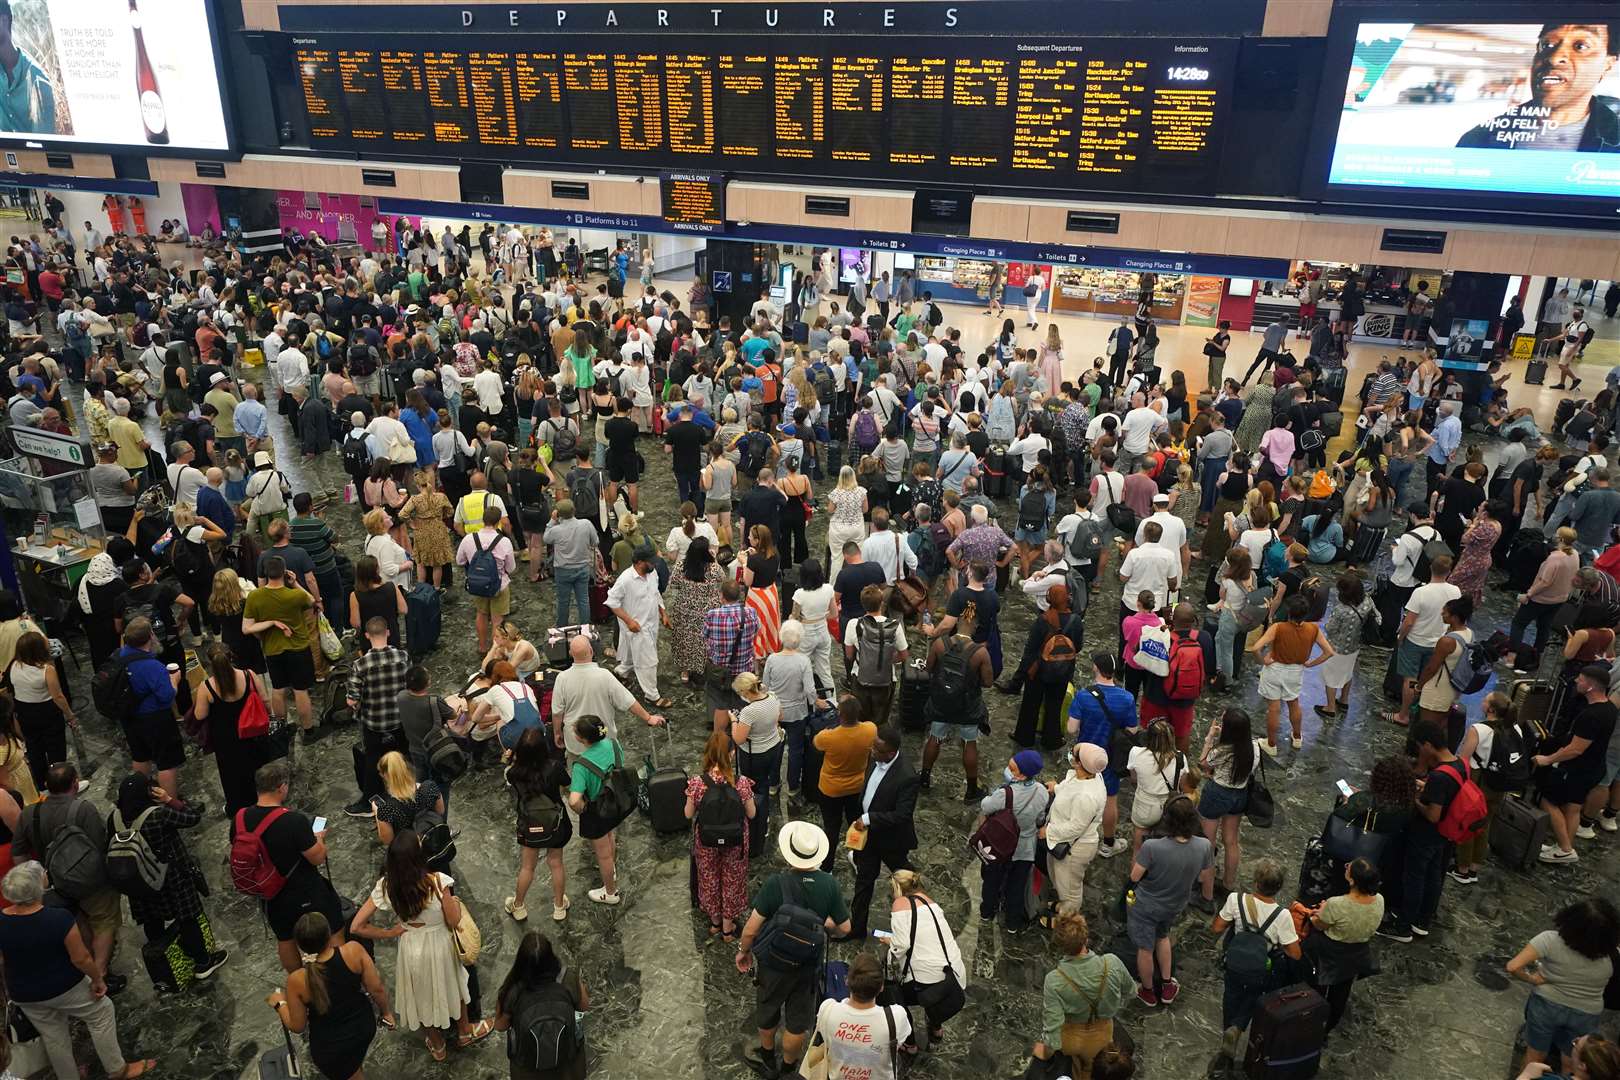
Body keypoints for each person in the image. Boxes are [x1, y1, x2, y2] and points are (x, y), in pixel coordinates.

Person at [0, 862, 155, 1080]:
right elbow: (80, 958)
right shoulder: (58, 919)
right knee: (102, 1012)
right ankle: (118, 1069)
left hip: (24, 994)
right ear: (36, 887)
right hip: (63, 987)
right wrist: (97, 978)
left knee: (53, 1036)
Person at [349, 830, 489, 1061]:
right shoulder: (437, 882)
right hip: (440, 944)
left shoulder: (387, 886)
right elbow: (453, 921)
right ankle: (464, 1032)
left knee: (419, 994)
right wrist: (452, 902)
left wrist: (389, 932)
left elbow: (356, 926)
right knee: (455, 984)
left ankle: (437, 1045)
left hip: (411, 945)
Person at [734, 820, 852, 1078]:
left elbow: (752, 928)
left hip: (773, 964)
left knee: (768, 1009)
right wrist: (825, 923)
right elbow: (844, 928)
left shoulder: (776, 884)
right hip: (807, 964)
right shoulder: (829, 885)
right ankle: (789, 1067)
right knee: (798, 1022)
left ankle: (767, 1058)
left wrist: (743, 951)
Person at [242, 760, 346, 973]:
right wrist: (319, 838)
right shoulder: (293, 821)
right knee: (334, 925)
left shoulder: (240, 818)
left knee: (285, 938)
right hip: (304, 889)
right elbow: (317, 858)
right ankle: (339, 974)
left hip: (270, 894)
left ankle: (298, 980)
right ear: (282, 788)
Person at [268, 911, 394, 1080]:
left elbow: (297, 1026)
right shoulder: (353, 951)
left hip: (332, 1047)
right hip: (363, 1027)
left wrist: (280, 1004)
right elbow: (376, 988)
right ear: (329, 935)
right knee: (355, 1063)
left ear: (299, 945)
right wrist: (386, 1013)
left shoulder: (297, 980)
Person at [1506, 898, 1620, 1076]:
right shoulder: (1612, 955)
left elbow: (1513, 967)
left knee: (1534, 1058)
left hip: (1545, 1005)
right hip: (1586, 1012)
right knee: (1571, 1062)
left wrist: (1533, 979)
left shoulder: (1549, 940)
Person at [1379, 719, 1465, 943]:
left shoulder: (1438, 776)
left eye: (1419, 745)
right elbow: (1446, 795)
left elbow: (1432, 815)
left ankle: (1403, 926)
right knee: (1434, 874)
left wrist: (1415, 798)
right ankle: (1423, 920)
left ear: (1427, 744)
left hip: (1426, 834)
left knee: (1414, 877)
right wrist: (1426, 789)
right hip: (1446, 833)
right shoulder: (1459, 765)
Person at [1209, 858, 1303, 1061]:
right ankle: (1238, 1027)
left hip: (1234, 961)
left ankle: (1228, 1028)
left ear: (1256, 883)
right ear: (1278, 888)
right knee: (1255, 995)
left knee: (1231, 994)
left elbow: (1216, 928)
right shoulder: (1282, 915)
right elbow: (1295, 954)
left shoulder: (1236, 900)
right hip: (1261, 967)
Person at [1128, 796, 1213, 1006]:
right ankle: (1167, 984)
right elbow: (1202, 877)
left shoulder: (1153, 847)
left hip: (1146, 904)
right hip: (1175, 903)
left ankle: (1147, 991)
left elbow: (1134, 877)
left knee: (1145, 948)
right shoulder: (1204, 845)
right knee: (1163, 936)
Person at [1535, 665, 1617, 865]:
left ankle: (1564, 848)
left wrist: (1547, 759)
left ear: (1590, 686)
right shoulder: (1609, 709)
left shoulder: (1591, 716)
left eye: (1580, 679)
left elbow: (1575, 749)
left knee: (1549, 802)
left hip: (1576, 769)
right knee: (1573, 808)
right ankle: (1564, 848)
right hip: (1593, 767)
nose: (1576, 682)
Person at [845, 726, 918, 941]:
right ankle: (856, 929)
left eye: (876, 748)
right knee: (863, 883)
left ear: (891, 752)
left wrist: (869, 818)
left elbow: (902, 815)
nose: (871, 750)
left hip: (891, 839)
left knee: (906, 878)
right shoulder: (874, 756)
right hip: (869, 838)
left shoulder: (907, 777)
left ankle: (918, 916)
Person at [685, 729, 757, 940]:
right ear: (732, 754)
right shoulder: (741, 782)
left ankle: (715, 923)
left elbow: (688, 813)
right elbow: (752, 814)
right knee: (732, 879)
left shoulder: (698, 782)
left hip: (706, 841)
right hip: (735, 841)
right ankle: (728, 927)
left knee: (709, 877)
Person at [885, 871, 967, 1055]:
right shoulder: (929, 901)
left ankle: (909, 1042)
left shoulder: (900, 903)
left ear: (897, 887)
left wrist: (891, 943)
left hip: (928, 978)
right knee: (932, 990)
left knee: (892, 994)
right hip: (953, 973)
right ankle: (935, 1026)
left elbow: (902, 945)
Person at [243, 554, 323, 743]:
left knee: (278, 689)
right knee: (300, 690)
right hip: (298, 647)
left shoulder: (255, 596)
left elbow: (246, 628)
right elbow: (312, 601)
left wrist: (270, 623)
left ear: (266, 573)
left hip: (272, 649)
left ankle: (282, 730)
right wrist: (295, 583)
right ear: (284, 572)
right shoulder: (294, 595)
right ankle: (309, 731)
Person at [1067, 652, 1139, 859]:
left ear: (1096, 668)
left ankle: (1074, 837)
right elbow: (1132, 730)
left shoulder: (1083, 695)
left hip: (1084, 755)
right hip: (1110, 757)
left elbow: (1072, 729)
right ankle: (1108, 844)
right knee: (1110, 801)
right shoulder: (1126, 698)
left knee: (1079, 795)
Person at [1302, 857, 1385, 1033]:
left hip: (1330, 952)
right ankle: (1327, 1029)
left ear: (1352, 880)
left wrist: (1318, 913)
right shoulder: (1379, 900)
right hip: (1357, 952)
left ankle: (1309, 1025)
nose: (1346, 867)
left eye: (1348, 868)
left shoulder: (1337, 904)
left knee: (1317, 989)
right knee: (1340, 994)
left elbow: (1319, 924)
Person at [493, 931, 590, 1080]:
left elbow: (500, 1026)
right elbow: (584, 1006)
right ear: (551, 957)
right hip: (568, 1066)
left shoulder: (513, 990)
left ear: (521, 962)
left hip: (528, 1069)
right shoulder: (567, 979)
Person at [920, 601, 993, 800]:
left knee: (935, 738)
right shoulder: (980, 652)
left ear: (956, 625)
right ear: (975, 628)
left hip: (942, 702)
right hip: (967, 706)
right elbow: (988, 682)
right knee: (970, 743)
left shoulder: (939, 643)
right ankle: (971, 789)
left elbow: (928, 670)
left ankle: (925, 779)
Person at [974, 749, 1048, 933]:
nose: (1008, 770)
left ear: (1021, 774)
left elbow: (985, 806)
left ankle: (987, 912)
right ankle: (1013, 923)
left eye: (1012, 768)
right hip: (1025, 849)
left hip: (1000, 848)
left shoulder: (1005, 794)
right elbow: (1040, 818)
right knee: (1017, 886)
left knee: (991, 882)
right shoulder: (1041, 791)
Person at [1250, 594, 1333, 754]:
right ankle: (1297, 738)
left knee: (1274, 708)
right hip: (1296, 671)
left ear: (1289, 612)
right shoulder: (1313, 629)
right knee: (1294, 703)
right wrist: (1310, 663)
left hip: (1275, 670)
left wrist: (1263, 661)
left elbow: (1255, 648)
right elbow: (1328, 652)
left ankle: (1271, 744)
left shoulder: (1278, 627)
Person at [1196, 708, 1261, 913]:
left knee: (1208, 844)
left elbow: (1203, 762)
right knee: (1231, 841)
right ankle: (1228, 884)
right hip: (1239, 795)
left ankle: (1205, 892)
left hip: (1217, 794)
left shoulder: (1221, 751)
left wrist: (1209, 738)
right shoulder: (1255, 747)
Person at [810, 952, 910, 1080]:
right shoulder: (896, 1017)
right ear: (881, 987)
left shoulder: (827, 1009)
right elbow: (898, 1043)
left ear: (847, 981)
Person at [1391, 554, 1460, 728]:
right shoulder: (1455, 591)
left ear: (1430, 568)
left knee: (1410, 678)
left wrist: (1401, 638)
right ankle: (1420, 711)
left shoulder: (1420, 592)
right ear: (1449, 572)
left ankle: (1403, 714)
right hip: (1438, 642)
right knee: (1427, 677)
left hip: (1416, 641)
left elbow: (1409, 621)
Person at [565, 717, 629, 905]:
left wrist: (582, 810)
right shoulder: (614, 744)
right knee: (611, 837)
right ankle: (613, 870)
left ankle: (610, 892)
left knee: (603, 854)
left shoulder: (581, 766)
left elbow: (574, 799)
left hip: (597, 809)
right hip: (615, 801)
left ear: (581, 739)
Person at [1043, 742, 1109, 920]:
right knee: (1059, 879)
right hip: (1065, 839)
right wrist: (1056, 788)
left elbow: (1076, 827)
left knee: (1070, 889)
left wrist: (1048, 832)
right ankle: (1064, 907)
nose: (1070, 753)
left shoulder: (1086, 797)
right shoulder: (1089, 774)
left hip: (1075, 849)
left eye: (1074, 753)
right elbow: (1069, 788)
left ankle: (1067, 921)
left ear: (1080, 763)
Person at [813, 695, 878, 872]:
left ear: (839, 714)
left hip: (831, 789)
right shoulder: (870, 730)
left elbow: (816, 743)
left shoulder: (828, 737)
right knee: (856, 824)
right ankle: (858, 859)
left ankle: (827, 867)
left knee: (831, 828)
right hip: (857, 786)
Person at [4, 630, 74, 793]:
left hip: (24, 712)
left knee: (35, 750)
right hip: (46, 712)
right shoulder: (46, 670)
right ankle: (61, 786)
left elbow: (10, 690)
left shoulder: (13, 665)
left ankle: (43, 786)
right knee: (55, 749)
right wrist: (70, 715)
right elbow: (58, 696)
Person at [1508, 527, 1581, 671]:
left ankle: (1511, 657)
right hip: (1559, 599)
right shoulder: (1575, 554)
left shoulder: (1555, 558)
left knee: (1518, 624)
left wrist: (1528, 594)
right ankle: (1537, 657)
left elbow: (1544, 582)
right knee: (1544, 627)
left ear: (1560, 539)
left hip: (1540, 599)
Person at [845, 583, 907, 724]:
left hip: (860, 678)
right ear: (882, 603)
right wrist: (888, 660)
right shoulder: (894, 625)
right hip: (886, 680)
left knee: (860, 719)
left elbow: (849, 655)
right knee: (881, 720)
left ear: (863, 604)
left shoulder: (853, 624)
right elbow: (904, 656)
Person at [1317, 573, 1374, 719]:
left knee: (1331, 678)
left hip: (1336, 648)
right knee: (1348, 673)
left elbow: (1330, 628)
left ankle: (1330, 707)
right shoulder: (1367, 601)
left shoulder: (1341, 610)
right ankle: (1344, 700)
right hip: (1355, 646)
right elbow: (1377, 617)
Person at [1126, 720, 1187, 854]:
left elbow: (1133, 779)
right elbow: (1182, 785)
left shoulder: (1136, 753)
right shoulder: (1180, 757)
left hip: (1145, 804)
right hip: (1170, 806)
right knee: (1166, 848)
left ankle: (1137, 873)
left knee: (1138, 848)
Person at [544, 499, 600, 628]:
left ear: (558, 514)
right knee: (583, 599)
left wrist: (552, 521)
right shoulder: (586, 524)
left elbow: (546, 538)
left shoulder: (556, 530)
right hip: (582, 567)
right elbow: (595, 542)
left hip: (563, 570)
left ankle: (562, 627)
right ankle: (586, 627)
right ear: (574, 510)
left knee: (563, 601)